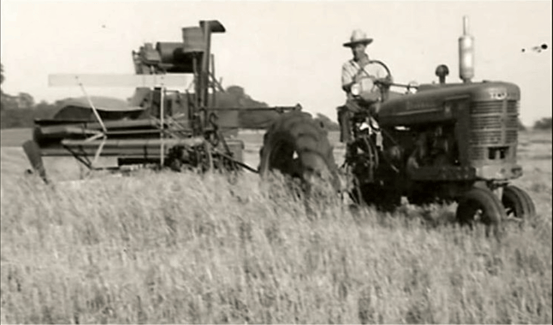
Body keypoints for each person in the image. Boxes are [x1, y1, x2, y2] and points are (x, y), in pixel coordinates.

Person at [338, 29, 392, 144]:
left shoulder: (375, 66)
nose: (356, 50)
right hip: (356, 103)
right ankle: (349, 144)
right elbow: (345, 86)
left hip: (372, 102)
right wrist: (354, 82)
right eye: (353, 47)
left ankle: (389, 142)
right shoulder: (347, 66)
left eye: (359, 47)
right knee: (344, 113)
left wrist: (384, 82)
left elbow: (385, 84)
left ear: (364, 47)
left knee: (384, 113)